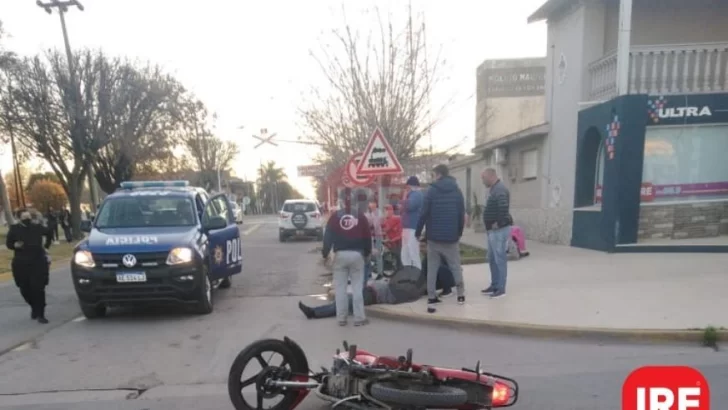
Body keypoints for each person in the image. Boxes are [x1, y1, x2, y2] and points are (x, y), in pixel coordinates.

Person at [298, 260, 456, 319]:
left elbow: (396, 290)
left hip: (374, 294)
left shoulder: (415, 289)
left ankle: (314, 313)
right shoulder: (418, 285)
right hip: (374, 290)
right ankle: (315, 312)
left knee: (345, 302)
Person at [415, 164, 466, 313]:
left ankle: (431, 297)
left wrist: (418, 232)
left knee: (432, 267)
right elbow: (461, 214)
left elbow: (424, 213)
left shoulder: (431, 191)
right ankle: (461, 295)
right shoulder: (457, 191)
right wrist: (459, 232)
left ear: (438, 174)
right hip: (451, 237)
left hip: (434, 237)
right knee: (455, 266)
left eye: (433, 174)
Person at [322, 197, 372, 326]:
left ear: (342, 203)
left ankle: (341, 319)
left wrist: (325, 253)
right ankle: (359, 318)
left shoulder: (335, 217)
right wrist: (367, 253)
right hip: (357, 255)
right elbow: (367, 236)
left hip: (340, 255)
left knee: (340, 289)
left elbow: (328, 236)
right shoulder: (360, 217)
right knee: (357, 288)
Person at [6, 209, 53, 324]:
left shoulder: (36, 227)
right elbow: (9, 244)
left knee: (38, 288)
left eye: (29, 217)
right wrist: (15, 245)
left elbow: (49, 232)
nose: (27, 220)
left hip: (38, 261)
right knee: (25, 289)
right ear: (19, 218)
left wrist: (46, 246)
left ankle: (41, 314)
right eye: (24, 218)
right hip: (21, 263)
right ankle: (34, 306)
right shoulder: (14, 229)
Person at [481, 168, 512, 298]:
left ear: (490, 176)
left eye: (483, 178)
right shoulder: (494, 189)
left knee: (500, 259)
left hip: (499, 230)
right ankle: (494, 285)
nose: (482, 181)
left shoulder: (499, 189)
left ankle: (501, 289)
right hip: (492, 230)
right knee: (492, 258)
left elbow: (503, 207)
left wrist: (497, 223)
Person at [400, 176, 423, 270]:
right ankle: (408, 273)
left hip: (412, 227)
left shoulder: (417, 195)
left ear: (410, 186)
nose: (406, 189)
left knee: (412, 252)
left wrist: (404, 197)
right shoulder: (413, 195)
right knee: (405, 252)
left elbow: (409, 206)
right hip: (407, 227)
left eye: (407, 187)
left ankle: (417, 274)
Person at [363, 198, 382, 285]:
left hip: (377, 235)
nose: (371, 205)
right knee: (368, 255)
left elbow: (377, 224)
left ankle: (380, 272)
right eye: (370, 203)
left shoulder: (378, 212)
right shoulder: (366, 213)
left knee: (378, 254)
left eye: (373, 203)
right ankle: (369, 273)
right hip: (369, 236)